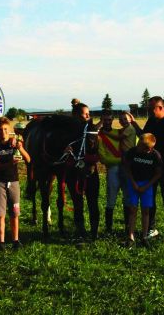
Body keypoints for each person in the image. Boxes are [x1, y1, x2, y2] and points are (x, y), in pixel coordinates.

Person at [126, 96, 164, 241]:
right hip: (150, 168)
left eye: (151, 109)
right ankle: (151, 228)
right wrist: (134, 124)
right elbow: (144, 138)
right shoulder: (151, 121)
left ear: (160, 107)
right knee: (150, 199)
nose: (149, 111)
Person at [0, 117, 31, 250]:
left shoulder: (14, 143)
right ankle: (1, 242)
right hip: (0, 183)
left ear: (10, 129)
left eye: (5, 129)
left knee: (15, 213)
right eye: (0, 129)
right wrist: (10, 163)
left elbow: (28, 159)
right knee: (0, 214)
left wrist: (21, 148)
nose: (3, 132)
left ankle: (15, 240)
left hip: (14, 182)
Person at [66, 101, 101, 240]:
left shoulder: (91, 129)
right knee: (77, 202)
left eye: (89, 113)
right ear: (76, 115)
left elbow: (98, 150)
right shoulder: (67, 132)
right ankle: (80, 231)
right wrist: (65, 150)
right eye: (85, 114)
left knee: (93, 202)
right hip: (73, 172)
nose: (88, 116)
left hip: (90, 171)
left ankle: (94, 233)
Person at [122, 133, 163, 248]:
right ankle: (131, 236)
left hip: (147, 185)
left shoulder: (155, 156)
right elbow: (127, 168)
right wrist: (134, 183)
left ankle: (144, 236)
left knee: (146, 211)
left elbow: (158, 173)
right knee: (132, 210)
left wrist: (147, 185)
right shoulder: (132, 152)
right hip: (133, 183)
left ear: (149, 148)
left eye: (140, 146)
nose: (137, 147)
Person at [97, 110, 126, 234]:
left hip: (125, 170)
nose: (107, 122)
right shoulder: (99, 137)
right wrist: (122, 159)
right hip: (113, 170)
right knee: (111, 200)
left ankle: (128, 227)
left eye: (109, 120)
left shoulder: (119, 132)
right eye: (105, 120)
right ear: (101, 120)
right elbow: (103, 158)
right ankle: (108, 229)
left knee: (127, 199)